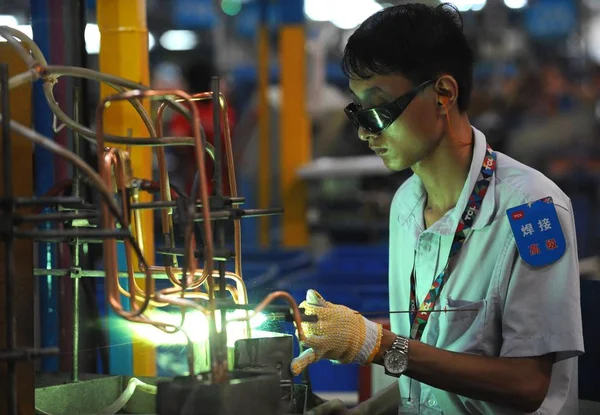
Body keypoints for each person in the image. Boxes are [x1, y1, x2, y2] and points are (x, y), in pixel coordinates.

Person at [290, 4, 584, 415]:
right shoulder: (406, 205)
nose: (364, 130)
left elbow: (528, 385)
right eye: (357, 110)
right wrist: (366, 412)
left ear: (444, 93)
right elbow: (434, 375)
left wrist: (377, 345)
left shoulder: (532, 209)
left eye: (378, 109)